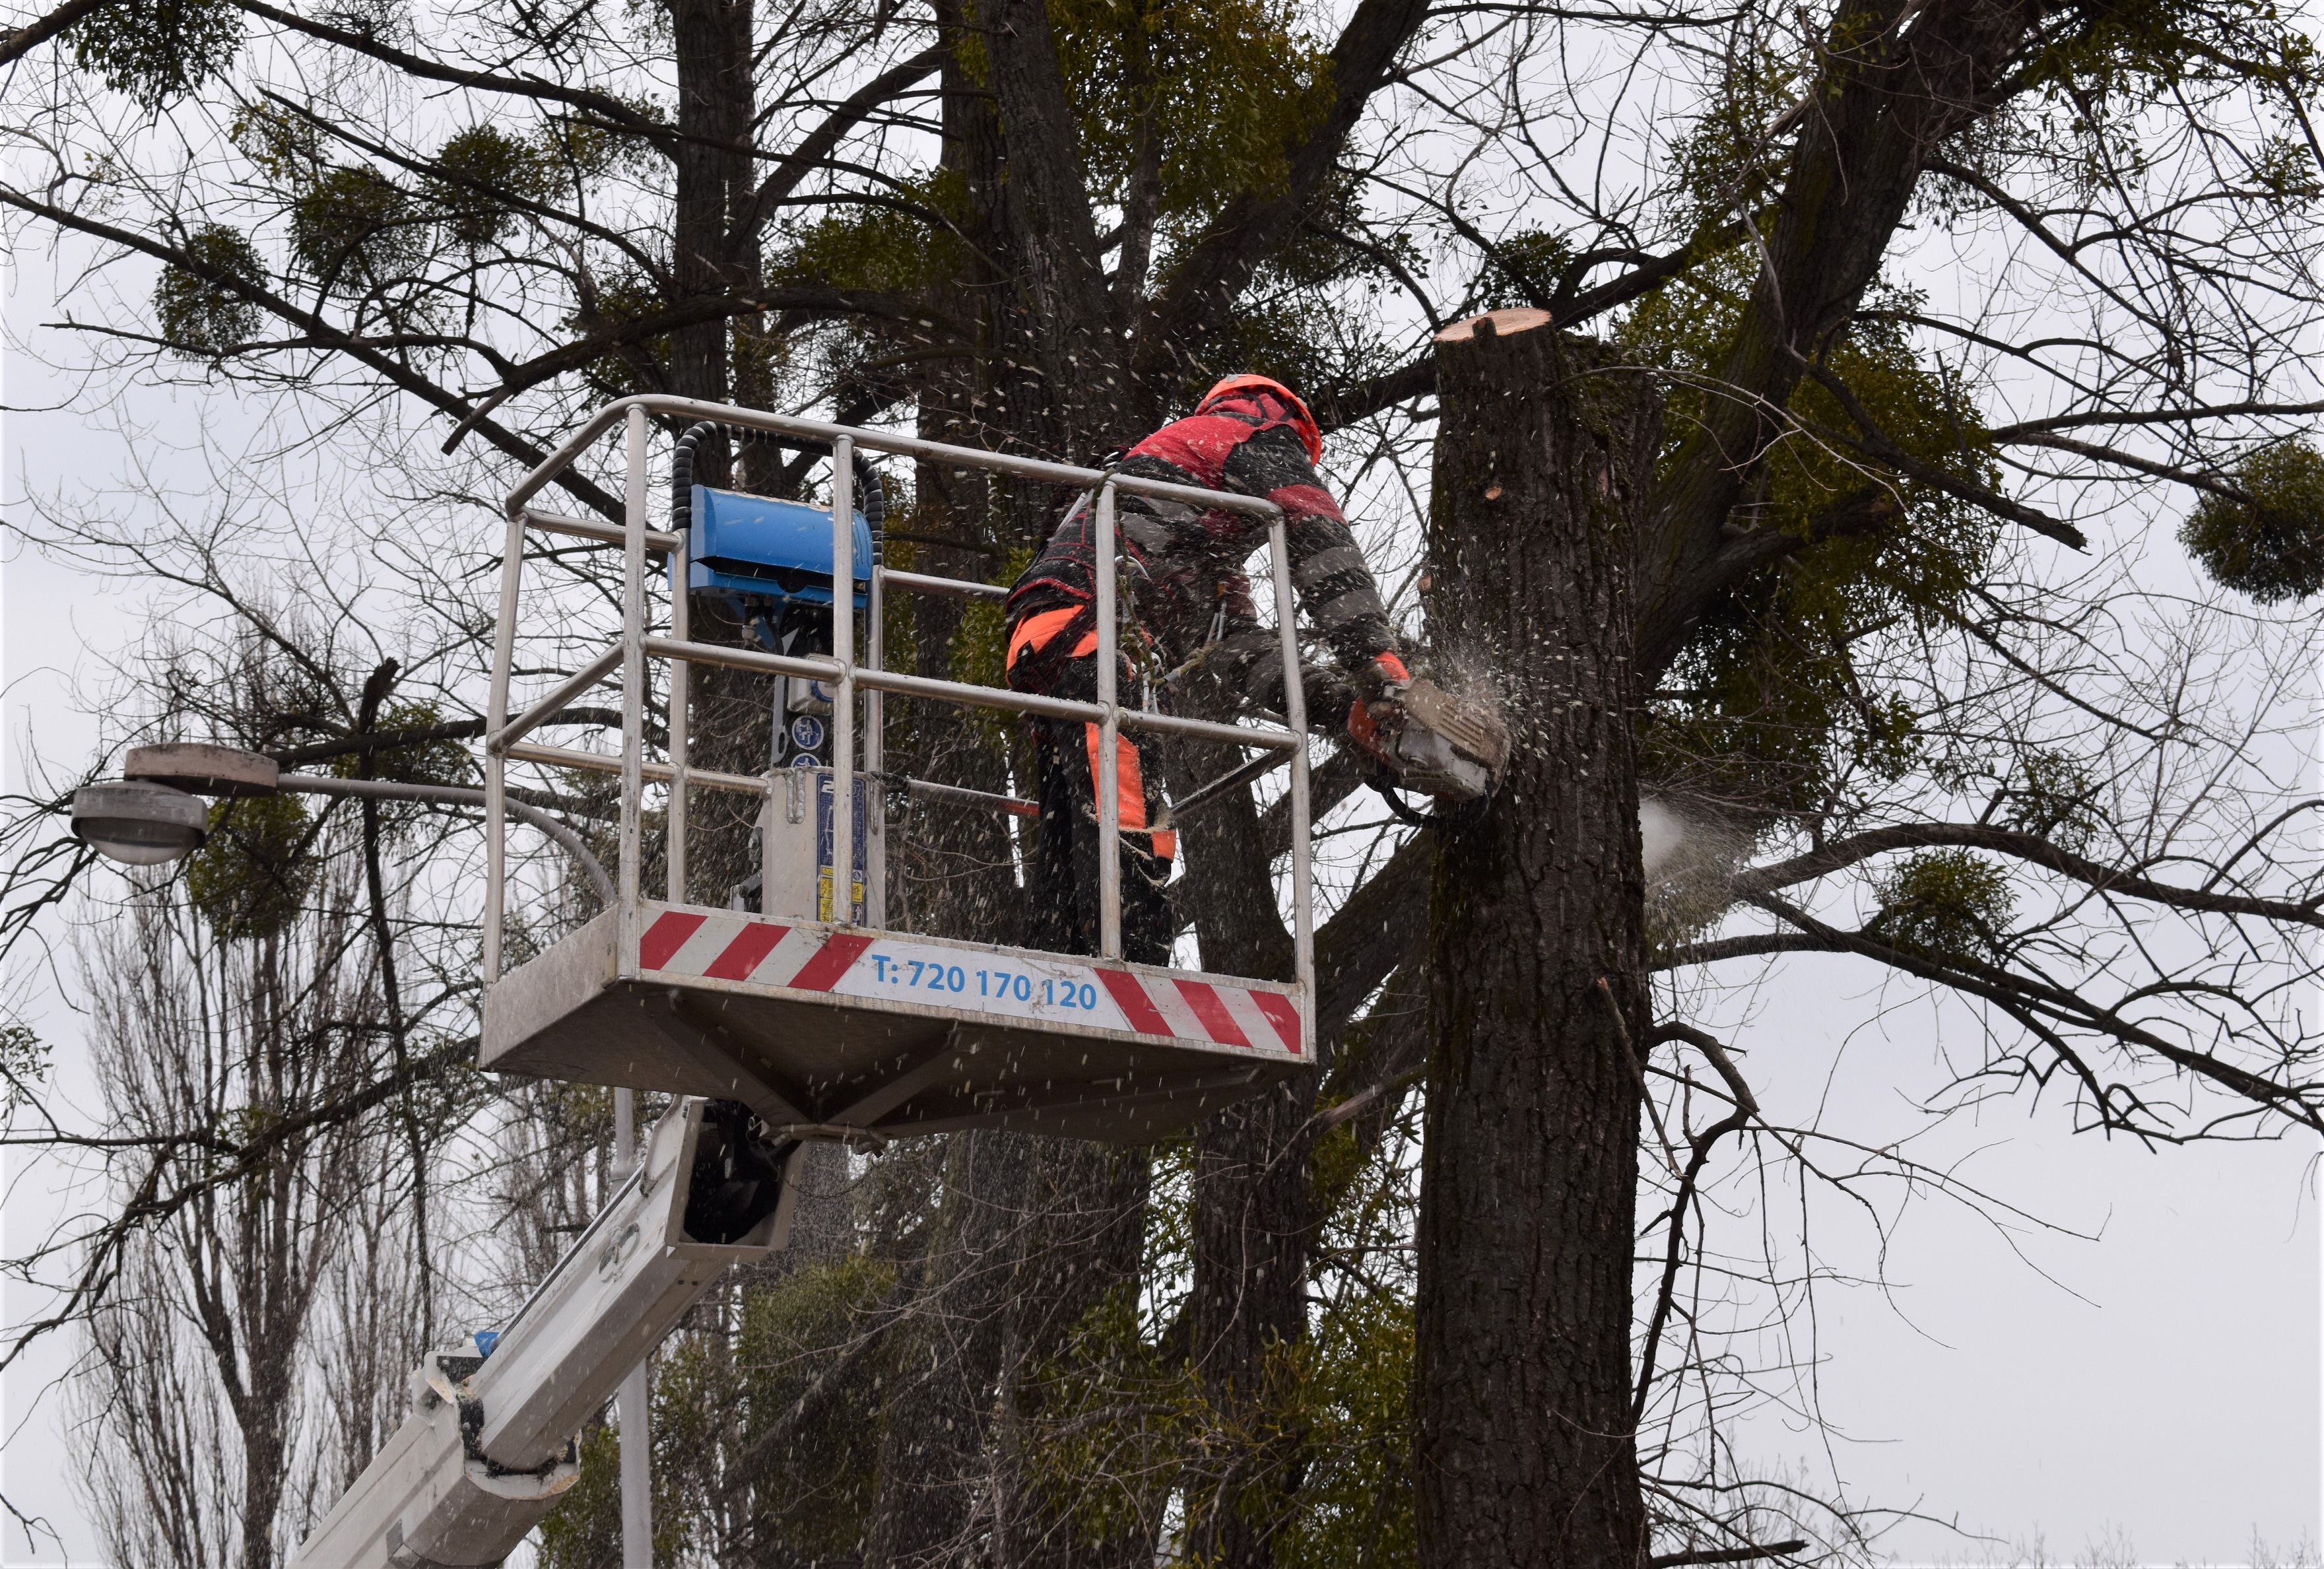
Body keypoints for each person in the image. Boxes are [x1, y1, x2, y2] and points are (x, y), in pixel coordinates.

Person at [1003, 374, 1410, 964]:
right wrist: (1377, 661)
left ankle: (1054, 974)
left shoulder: (1187, 514)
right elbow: (1319, 536)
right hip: (1099, 639)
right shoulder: (1250, 434)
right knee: (1129, 824)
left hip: (1053, 641)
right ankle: (1130, 973)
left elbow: (1240, 650)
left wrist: (1338, 706)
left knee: (1071, 838)